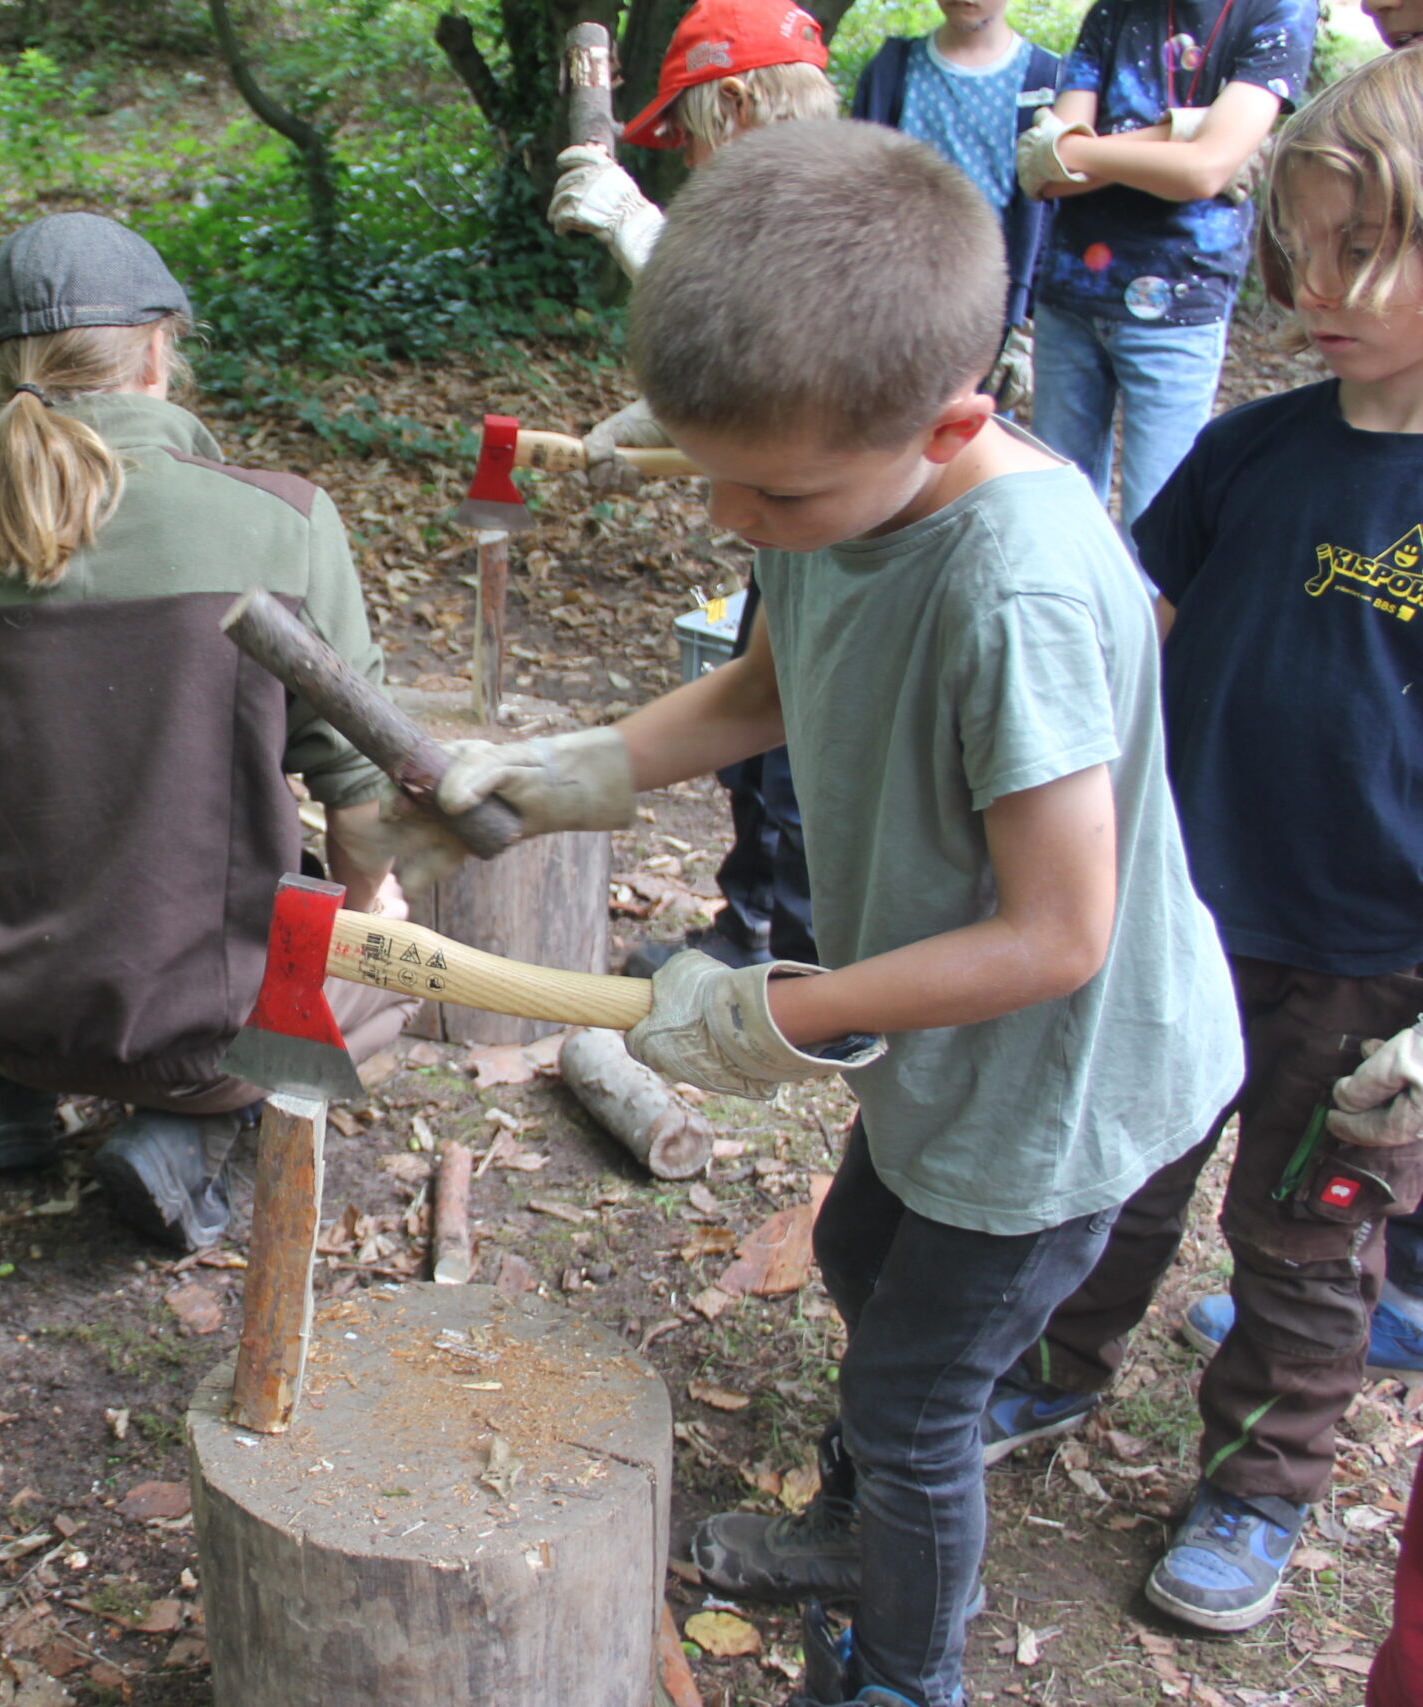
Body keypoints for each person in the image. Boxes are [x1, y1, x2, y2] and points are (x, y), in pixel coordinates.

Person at [438, 121, 1239, 1707]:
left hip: (1060, 1080)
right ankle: (856, 1533)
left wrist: (765, 1010)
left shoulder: (1017, 587)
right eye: (716, 471)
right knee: (874, 1260)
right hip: (947, 1051)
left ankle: (905, 1671)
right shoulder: (834, 495)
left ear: (953, 420)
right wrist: (560, 772)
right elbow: (768, 679)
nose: (736, 521)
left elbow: (1061, 930)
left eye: (772, 492)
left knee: (919, 1398)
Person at [974, 48, 1423, 1636]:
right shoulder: (1256, 447)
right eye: (1305, 250)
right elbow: (1141, 627)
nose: (1326, 287)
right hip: (1180, 901)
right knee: (1120, 1164)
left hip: (1372, 969)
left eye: (1370, 252)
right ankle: (1053, 1363)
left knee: (1305, 1249)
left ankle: (1258, 1482)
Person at [0, 213, 419, 1252]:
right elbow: (355, 778)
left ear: (9, 370)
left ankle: (4, 1081)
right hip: (221, 1042)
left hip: (12, 1016)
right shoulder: (280, 521)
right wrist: (371, 908)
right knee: (393, 976)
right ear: (159, 349)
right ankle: (184, 1129)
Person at [546, 0, 837, 975]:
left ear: (745, 101)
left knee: (802, 755)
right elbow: (737, 372)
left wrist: (635, 226)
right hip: (790, 546)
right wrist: (644, 426)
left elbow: (776, 341)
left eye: (696, 135)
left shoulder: (839, 195)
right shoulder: (758, 206)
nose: (694, 164)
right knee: (755, 754)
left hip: (853, 550)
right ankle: (744, 929)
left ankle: (802, 964)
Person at [1015, 0, 1315, 530]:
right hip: (1070, 297)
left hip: (1181, 306)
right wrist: (1185, 132)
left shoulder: (1277, 10)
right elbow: (1049, 171)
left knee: (1156, 529)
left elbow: (1202, 170)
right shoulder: (1114, 10)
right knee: (1052, 519)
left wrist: (1089, 151)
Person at [850, 0, 1062, 415]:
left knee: (975, 443)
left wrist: (1027, 325)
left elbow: (1053, 217)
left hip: (993, 308)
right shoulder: (892, 70)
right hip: (898, 307)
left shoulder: (1048, 79)